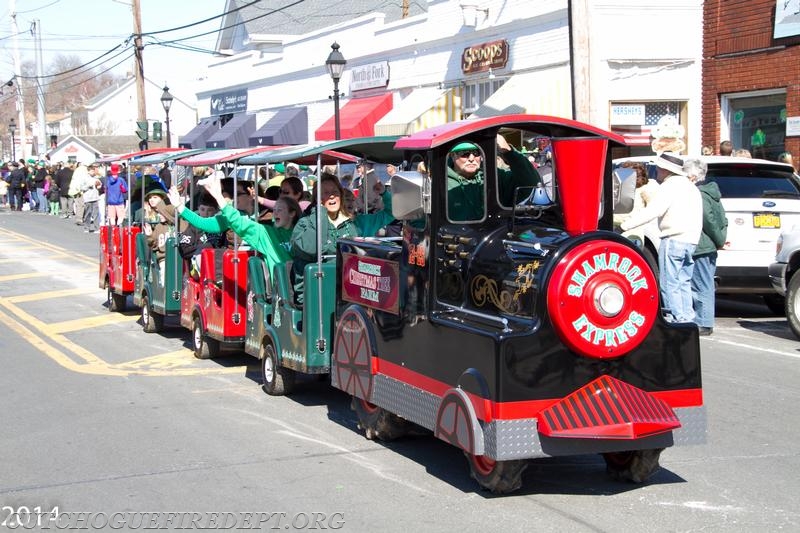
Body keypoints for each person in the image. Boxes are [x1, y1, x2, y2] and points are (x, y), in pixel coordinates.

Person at [620, 152, 703, 323]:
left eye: (658, 167)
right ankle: (687, 318)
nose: (656, 170)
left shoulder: (669, 186)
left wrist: (624, 226)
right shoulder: (691, 187)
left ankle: (675, 319)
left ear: (665, 169)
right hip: (691, 240)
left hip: (673, 238)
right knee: (684, 282)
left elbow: (653, 211)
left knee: (669, 282)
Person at [447, 135, 541, 221]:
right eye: (465, 154)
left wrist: (509, 151)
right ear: (453, 155)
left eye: (476, 153)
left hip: (493, 234)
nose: (471, 159)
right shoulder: (442, 182)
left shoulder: (495, 176)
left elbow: (533, 185)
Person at [684, 158, 727, 336]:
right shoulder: (711, 192)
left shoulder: (700, 194)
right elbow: (721, 219)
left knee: (702, 284)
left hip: (702, 244)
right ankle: (702, 320)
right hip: (708, 244)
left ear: (693, 176)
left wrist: (719, 240)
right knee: (703, 282)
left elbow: (708, 219)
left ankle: (704, 322)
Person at [81, 165, 101, 233]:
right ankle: (86, 227)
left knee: (96, 214)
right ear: (89, 171)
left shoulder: (96, 178)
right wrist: (88, 186)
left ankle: (97, 228)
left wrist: (98, 185)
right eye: (92, 170)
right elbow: (81, 187)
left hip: (95, 197)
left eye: (94, 170)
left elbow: (99, 186)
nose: (93, 172)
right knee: (88, 213)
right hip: (88, 198)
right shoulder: (84, 178)